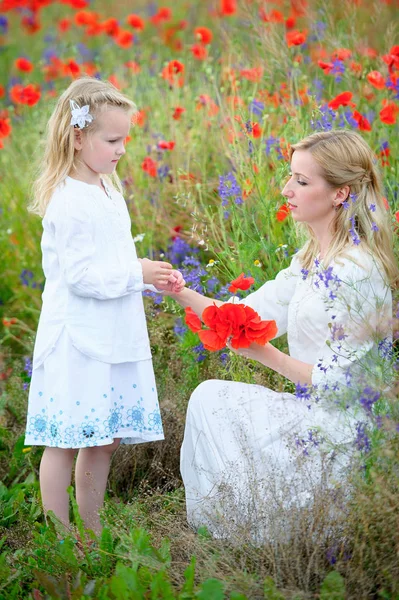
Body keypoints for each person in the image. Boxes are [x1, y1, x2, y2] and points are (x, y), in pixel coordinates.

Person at [169, 130, 398, 539]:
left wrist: (264, 354)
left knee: (212, 400)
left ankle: (269, 532)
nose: (286, 189)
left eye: (302, 181)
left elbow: (344, 384)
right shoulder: (313, 259)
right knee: (210, 398)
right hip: (314, 412)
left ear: (340, 194)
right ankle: (239, 530)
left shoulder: (357, 271)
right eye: (290, 176)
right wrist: (178, 289)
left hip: (345, 432)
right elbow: (248, 312)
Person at [25, 77, 185, 536]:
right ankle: (60, 538)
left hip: (113, 331)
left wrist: (149, 274)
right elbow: (79, 276)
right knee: (66, 439)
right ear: (78, 137)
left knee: (105, 438)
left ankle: (93, 532)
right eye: (112, 140)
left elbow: (111, 262)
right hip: (78, 338)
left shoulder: (107, 191)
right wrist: (137, 274)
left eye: (124, 140)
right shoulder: (68, 201)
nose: (121, 150)